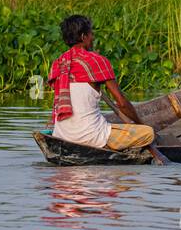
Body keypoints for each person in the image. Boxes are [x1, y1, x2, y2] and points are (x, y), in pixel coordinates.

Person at [48, 15, 162, 162]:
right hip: (91, 137)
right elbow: (121, 103)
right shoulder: (96, 61)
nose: (93, 37)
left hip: (61, 135)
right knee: (148, 133)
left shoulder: (59, 64)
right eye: (91, 34)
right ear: (83, 36)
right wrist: (140, 123)